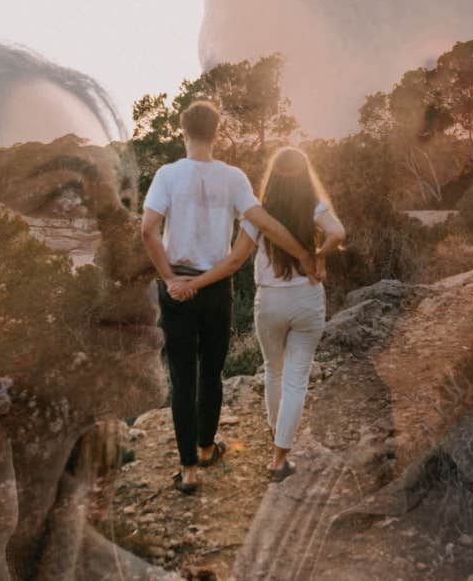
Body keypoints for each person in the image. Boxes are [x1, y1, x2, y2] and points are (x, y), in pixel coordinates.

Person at [140, 101, 317, 494]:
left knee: (182, 377)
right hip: (217, 288)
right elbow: (265, 224)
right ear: (217, 134)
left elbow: (148, 230)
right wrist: (303, 253)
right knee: (212, 372)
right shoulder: (234, 178)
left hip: (177, 289)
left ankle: (187, 471)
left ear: (182, 132)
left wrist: (170, 279)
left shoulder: (167, 175)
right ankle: (205, 449)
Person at [176, 147, 345, 481]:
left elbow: (236, 259)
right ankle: (280, 460)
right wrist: (320, 257)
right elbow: (338, 233)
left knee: (274, 371)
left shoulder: (259, 213)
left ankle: (274, 433)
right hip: (307, 299)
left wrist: (194, 281)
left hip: (269, 302)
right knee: (297, 377)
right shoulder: (314, 206)